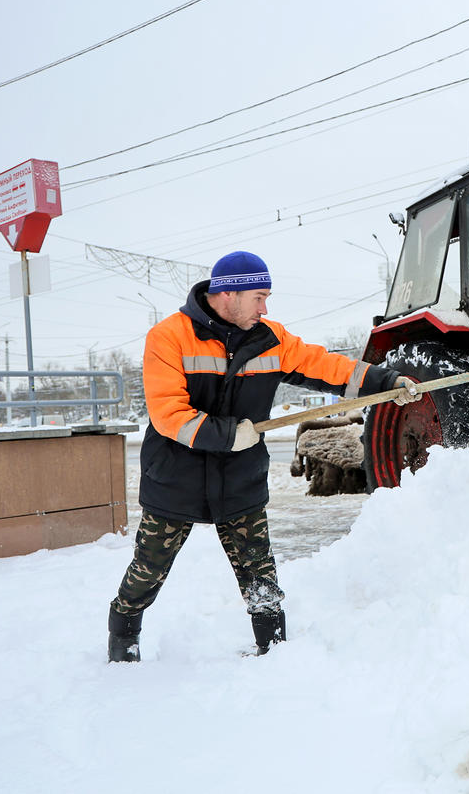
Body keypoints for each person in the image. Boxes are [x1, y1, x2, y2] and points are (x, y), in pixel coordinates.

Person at [107, 250, 418, 662]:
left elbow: (326, 367)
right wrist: (228, 435)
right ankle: (123, 643)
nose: (265, 307)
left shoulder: (270, 339)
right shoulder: (169, 337)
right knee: (148, 570)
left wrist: (388, 381)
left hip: (240, 478)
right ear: (229, 294)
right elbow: (169, 414)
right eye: (259, 297)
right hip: (175, 478)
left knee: (260, 575)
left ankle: (273, 653)